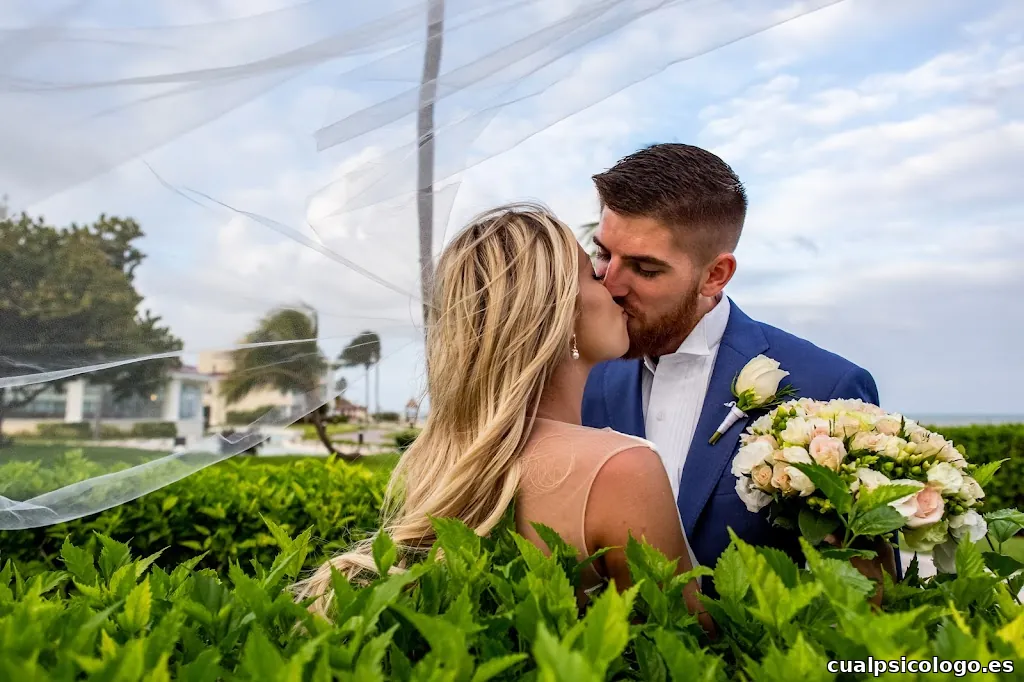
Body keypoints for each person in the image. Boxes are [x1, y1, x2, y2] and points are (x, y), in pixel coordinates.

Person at [293, 203, 711, 631]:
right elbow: (690, 652)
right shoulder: (620, 469)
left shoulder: (447, 459)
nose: (613, 286)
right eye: (592, 274)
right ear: (560, 313)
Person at [581, 143, 898, 597]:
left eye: (644, 269)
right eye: (604, 254)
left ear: (716, 275)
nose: (610, 284)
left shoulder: (827, 389)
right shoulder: (585, 378)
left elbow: (873, 596)